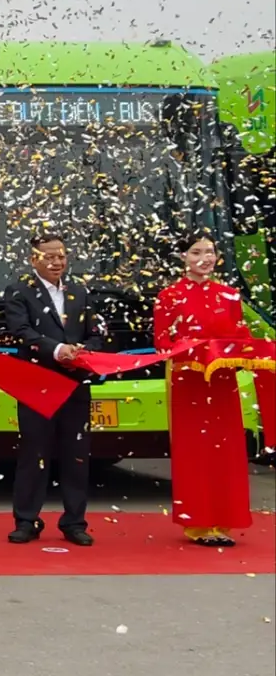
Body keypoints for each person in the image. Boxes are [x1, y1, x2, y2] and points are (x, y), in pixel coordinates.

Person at [153, 230, 255, 547]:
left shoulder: (230, 295)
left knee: (227, 449)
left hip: (222, 382)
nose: (205, 258)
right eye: (196, 252)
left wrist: (240, 353)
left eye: (209, 252)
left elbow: (241, 336)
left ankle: (224, 521)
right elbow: (162, 342)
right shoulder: (169, 296)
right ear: (183, 257)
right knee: (194, 450)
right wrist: (194, 351)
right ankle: (197, 523)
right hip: (189, 381)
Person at [2, 231, 103, 547]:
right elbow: (20, 331)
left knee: (76, 455)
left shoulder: (79, 292)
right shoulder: (19, 291)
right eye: (49, 256)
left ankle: (74, 522)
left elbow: (97, 333)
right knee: (34, 453)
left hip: (75, 384)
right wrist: (58, 350)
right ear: (34, 259)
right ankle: (26, 520)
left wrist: (83, 352)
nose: (57, 262)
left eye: (61, 255)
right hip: (38, 384)